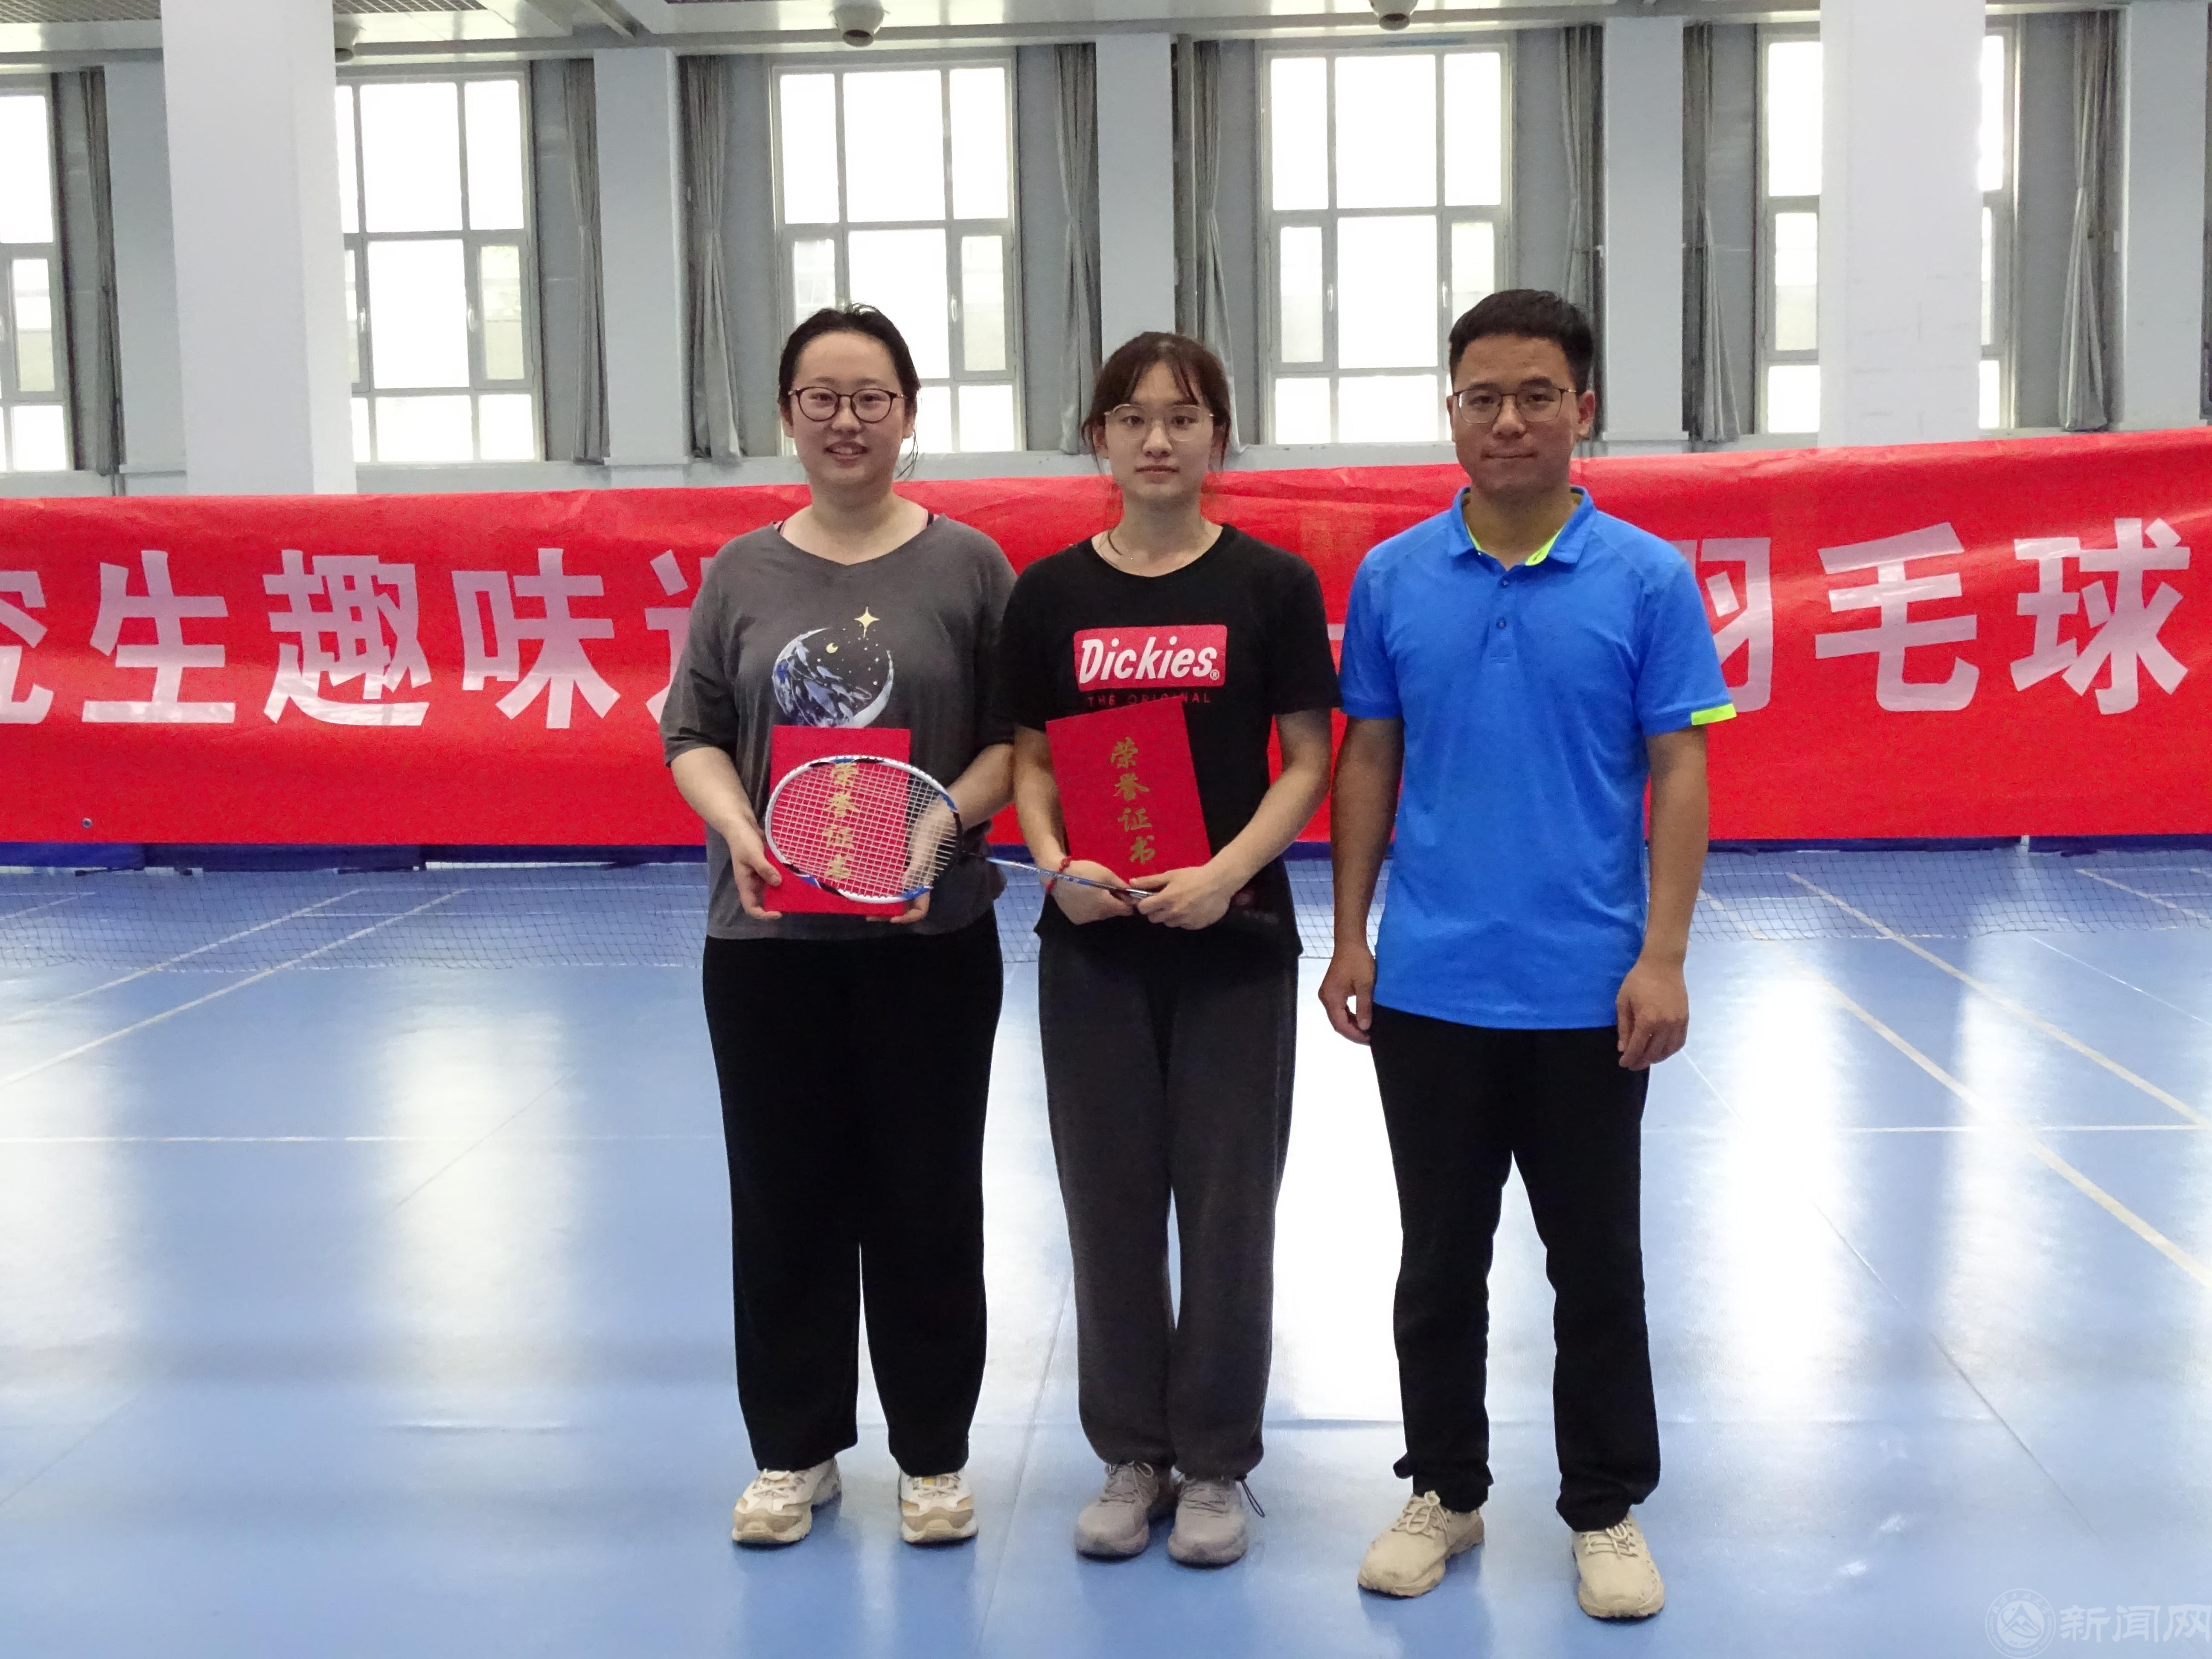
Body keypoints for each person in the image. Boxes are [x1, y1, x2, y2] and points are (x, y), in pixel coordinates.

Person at [1320, 290, 1733, 1620]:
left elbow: (1681, 769)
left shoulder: (1647, 579)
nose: (1508, 420)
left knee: (1596, 1264)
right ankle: (1444, 1489)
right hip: (1431, 984)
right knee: (1437, 1262)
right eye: (1483, 397)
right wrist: (1350, 934)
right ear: (1452, 411)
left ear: (1583, 409)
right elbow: (1369, 759)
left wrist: (1664, 955)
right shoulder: (1394, 578)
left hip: (1586, 991)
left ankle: (1603, 1507)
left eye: (1537, 395)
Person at [661, 305, 1016, 1551]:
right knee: (784, 1201)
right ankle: (793, 1451)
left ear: (908, 415)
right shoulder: (740, 573)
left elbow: (1012, 743)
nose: (847, 420)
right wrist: (741, 830)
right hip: (766, 947)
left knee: (928, 1198)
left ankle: (933, 1456)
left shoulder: (971, 566)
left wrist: (940, 830)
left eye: (872, 398)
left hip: (931, 942)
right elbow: (693, 734)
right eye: (823, 397)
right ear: (788, 415)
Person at [995, 332, 1338, 1569]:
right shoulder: (1049, 595)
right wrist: (1055, 863)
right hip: (1094, 948)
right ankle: (1131, 1452)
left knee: (1230, 1208)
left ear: (1219, 439)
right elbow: (1034, 759)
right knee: (1110, 1205)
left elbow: (1308, 758)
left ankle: (1216, 1464)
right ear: (1099, 437)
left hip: (1233, 945)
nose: (1157, 439)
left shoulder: (1271, 585)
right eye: (1133, 418)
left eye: (1184, 418)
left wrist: (1225, 874)